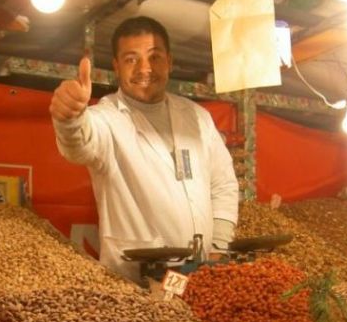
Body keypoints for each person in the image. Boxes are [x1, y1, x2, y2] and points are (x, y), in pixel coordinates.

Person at [50, 16, 239, 282]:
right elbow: (80, 144)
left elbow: (223, 185)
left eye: (154, 57)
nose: (144, 68)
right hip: (133, 283)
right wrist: (69, 119)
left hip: (201, 277)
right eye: (131, 59)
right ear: (116, 66)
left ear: (169, 61)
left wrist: (218, 247)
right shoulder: (107, 118)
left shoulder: (197, 117)